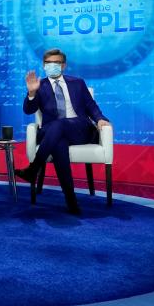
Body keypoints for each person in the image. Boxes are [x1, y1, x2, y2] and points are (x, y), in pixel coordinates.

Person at [14, 48, 111, 215]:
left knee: (59, 126)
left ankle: (33, 169)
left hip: (79, 128)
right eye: (49, 63)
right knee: (59, 142)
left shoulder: (77, 82)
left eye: (56, 63)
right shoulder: (40, 85)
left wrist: (100, 119)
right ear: (44, 65)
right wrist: (31, 92)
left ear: (63, 65)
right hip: (53, 133)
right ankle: (71, 201)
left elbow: (90, 106)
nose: (53, 66)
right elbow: (29, 110)